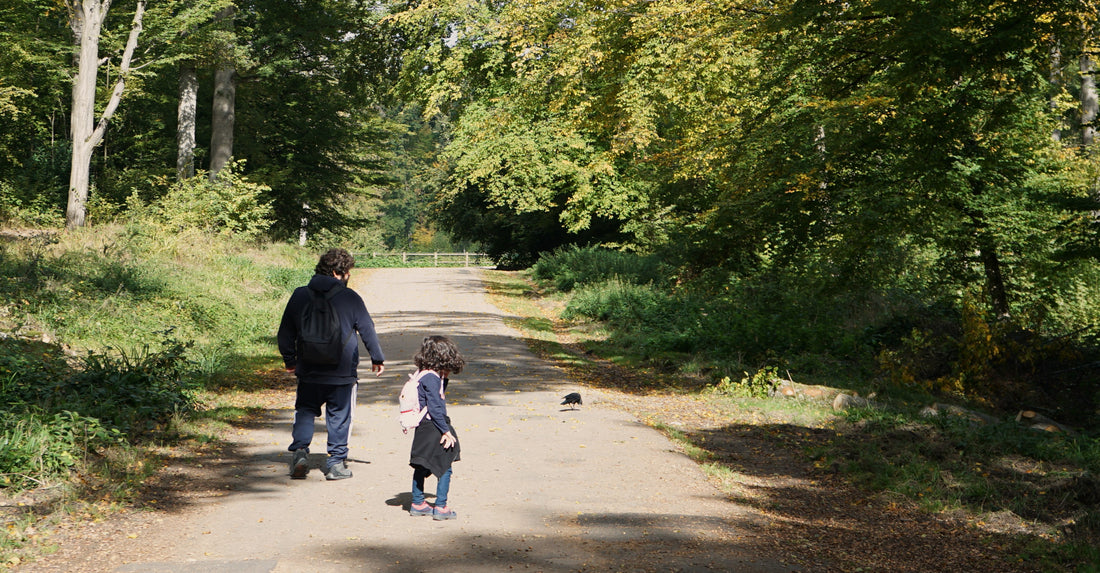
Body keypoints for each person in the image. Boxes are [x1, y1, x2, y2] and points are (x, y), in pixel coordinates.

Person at [277, 248, 385, 480]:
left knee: (305, 411)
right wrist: (377, 357)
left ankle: (300, 453)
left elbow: (285, 331)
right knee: (339, 415)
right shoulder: (350, 298)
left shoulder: (299, 295)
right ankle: (336, 463)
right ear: (338, 273)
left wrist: (290, 360)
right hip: (342, 371)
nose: (348, 277)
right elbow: (367, 328)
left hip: (309, 369)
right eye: (348, 273)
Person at [407, 335, 465, 520]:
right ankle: (441, 507)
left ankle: (417, 502)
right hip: (434, 425)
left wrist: (444, 378)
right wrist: (446, 431)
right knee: (446, 465)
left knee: (422, 463)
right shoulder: (432, 378)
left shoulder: (422, 373)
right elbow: (435, 406)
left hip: (423, 426)